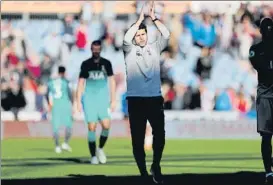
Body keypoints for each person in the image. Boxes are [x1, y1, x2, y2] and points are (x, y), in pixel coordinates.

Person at [122, 1, 170, 184]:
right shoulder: (129, 50)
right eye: (138, 35)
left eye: (143, 34)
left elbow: (166, 34)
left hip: (154, 98)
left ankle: (155, 165)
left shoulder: (155, 48)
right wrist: (140, 19)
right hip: (136, 100)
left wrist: (154, 18)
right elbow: (126, 38)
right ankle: (142, 172)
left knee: (160, 134)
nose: (141, 37)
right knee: (137, 139)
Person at [76, 40, 116, 164]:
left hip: (102, 99)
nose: (96, 51)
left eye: (98, 49)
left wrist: (113, 99)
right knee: (92, 127)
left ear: (101, 49)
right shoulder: (86, 64)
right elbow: (81, 83)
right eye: (94, 49)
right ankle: (93, 156)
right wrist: (77, 101)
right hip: (89, 99)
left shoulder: (107, 63)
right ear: (91, 49)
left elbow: (112, 81)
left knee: (106, 125)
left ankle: (100, 149)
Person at [249, 17, 273, 185]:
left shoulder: (255, 49)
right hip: (265, 96)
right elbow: (262, 67)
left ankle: (268, 172)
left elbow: (261, 66)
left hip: (264, 96)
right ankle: (269, 172)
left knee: (266, 137)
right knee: (266, 137)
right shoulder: (255, 49)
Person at [47, 66, 73, 154]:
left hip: (55, 105)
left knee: (56, 127)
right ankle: (65, 143)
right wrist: (73, 104)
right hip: (65, 105)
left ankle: (57, 146)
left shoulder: (51, 82)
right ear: (64, 72)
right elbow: (70, 93)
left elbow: (47, 93)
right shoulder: (66, 82)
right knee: (68, 126)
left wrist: (49, 104)